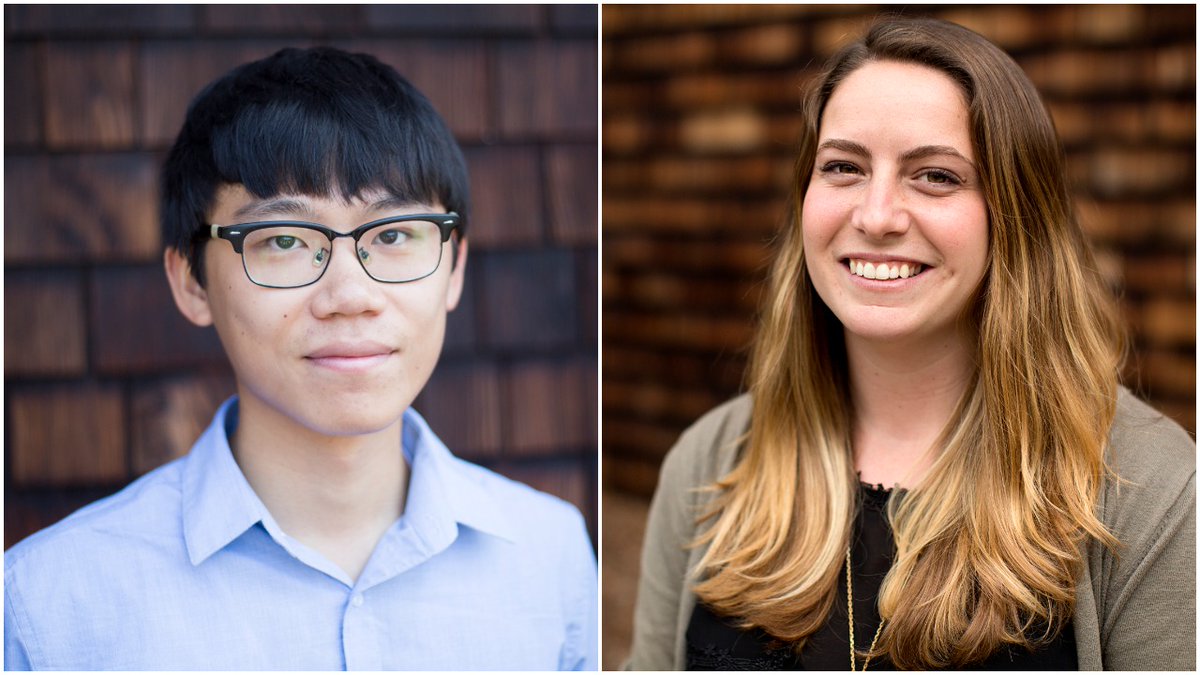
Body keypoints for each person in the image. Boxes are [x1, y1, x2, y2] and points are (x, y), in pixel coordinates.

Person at [4, 47, 597, 671]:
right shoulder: (48, 606)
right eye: (284, 240)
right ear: (191, 283)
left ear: (454, 268)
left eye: (393, 235)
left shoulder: (549, 554)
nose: (349, 297)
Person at [628, 18, 1194, 671]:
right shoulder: (708, 463)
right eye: (843, 166)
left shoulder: (1151, 491)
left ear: (1016, 214)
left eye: (935, 176)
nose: (875, 215)